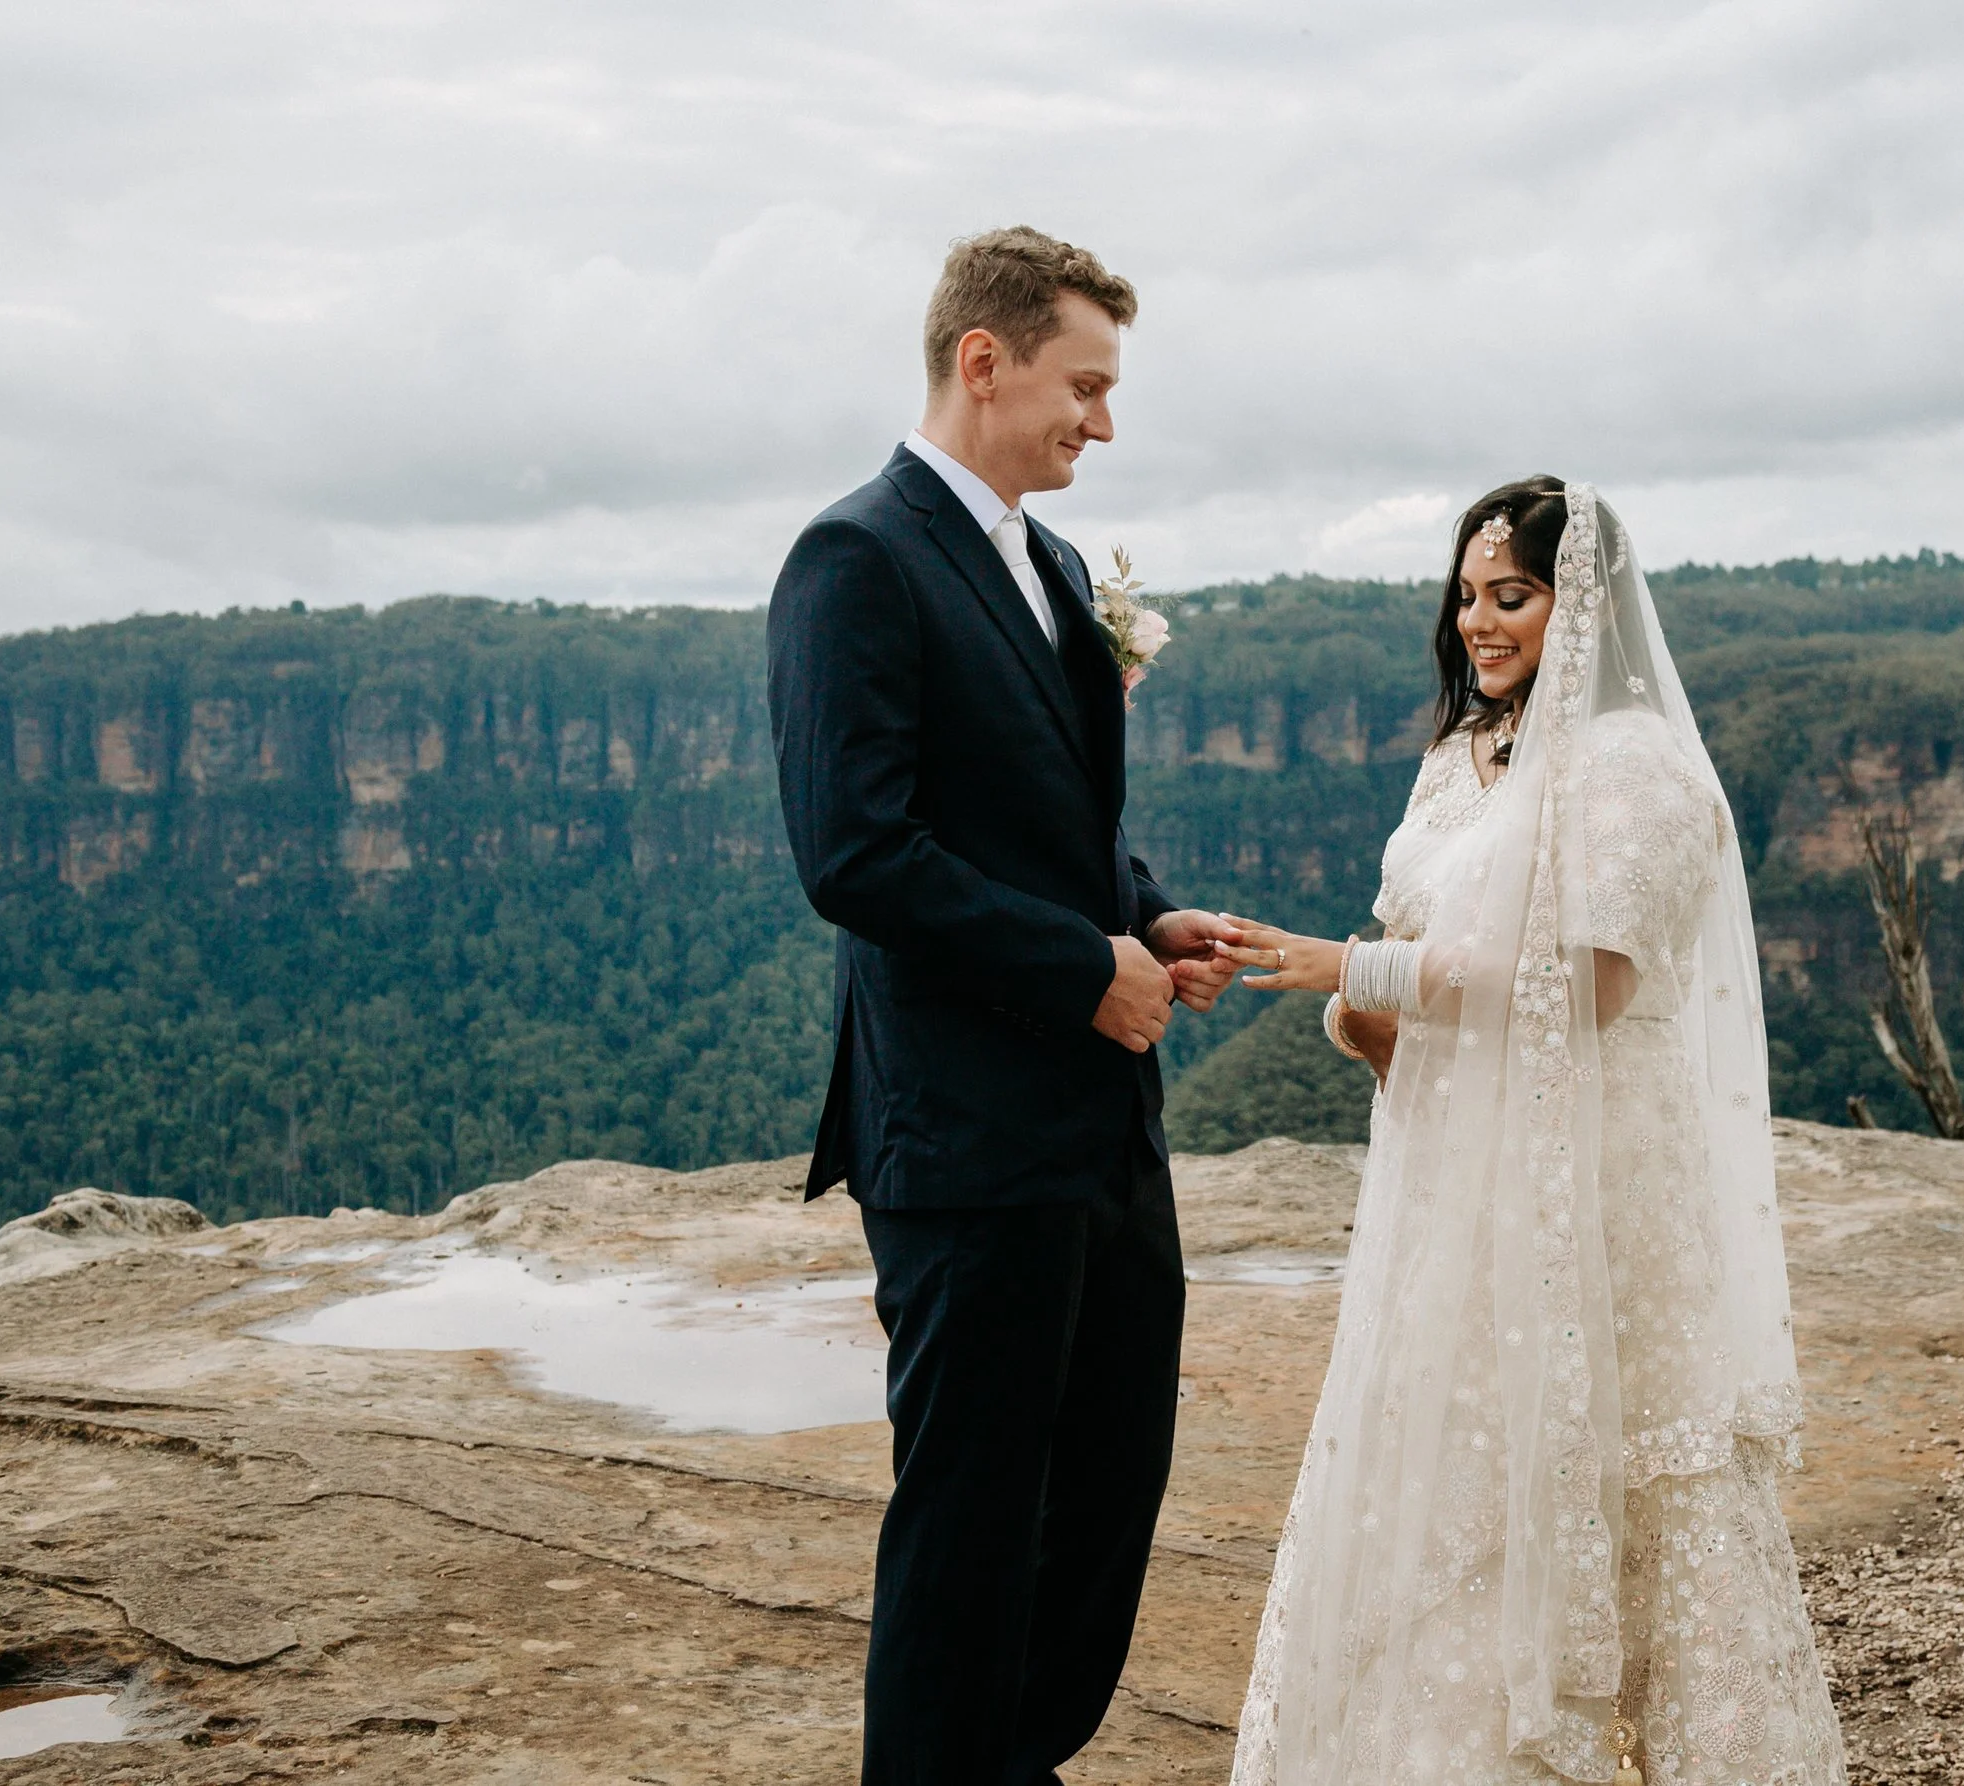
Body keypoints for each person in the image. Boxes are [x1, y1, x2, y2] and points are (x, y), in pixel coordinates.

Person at [1216, 479, 1846, 1784]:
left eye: (1512, 595)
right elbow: (1424, 951)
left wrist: (1350, 972)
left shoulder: (1644, 770)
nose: (1481, 622)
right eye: (1466, 596)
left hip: (1607, 1193)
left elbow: (1597, 983)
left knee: (1632, 1481)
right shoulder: (1462, 760)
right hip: (1463, 1188)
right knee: (1467, 1475)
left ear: (1586, 607)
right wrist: (1363, 1013)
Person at [765, 226, 1243, 1786]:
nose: (1100, 423)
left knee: (1104, 1494)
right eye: (1083, 386)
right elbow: (857, 848)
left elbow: (1053, 816)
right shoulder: (857, 557)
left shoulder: (1040, 563)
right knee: (969, 1528)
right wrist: (1076, 967)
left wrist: (1145, 908)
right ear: (987, 360)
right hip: (965, 1137)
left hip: (1103, 1127)